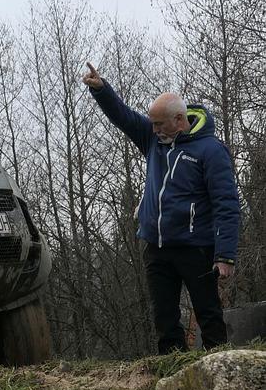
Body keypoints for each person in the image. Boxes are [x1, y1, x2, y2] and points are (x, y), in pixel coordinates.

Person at [82, 62, 241, 354]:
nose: (153, 130)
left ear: (179, 120)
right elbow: (125, 117)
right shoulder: (154, 141)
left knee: (208, 314)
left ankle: (220, 366)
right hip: (156, 246)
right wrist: (102, 91)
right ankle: (171, 374)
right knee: (165, 319)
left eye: (159, 124)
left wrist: (225, 255)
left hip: (196, 247)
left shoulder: (210, 151)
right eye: (152, 124)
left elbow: (227, 204)